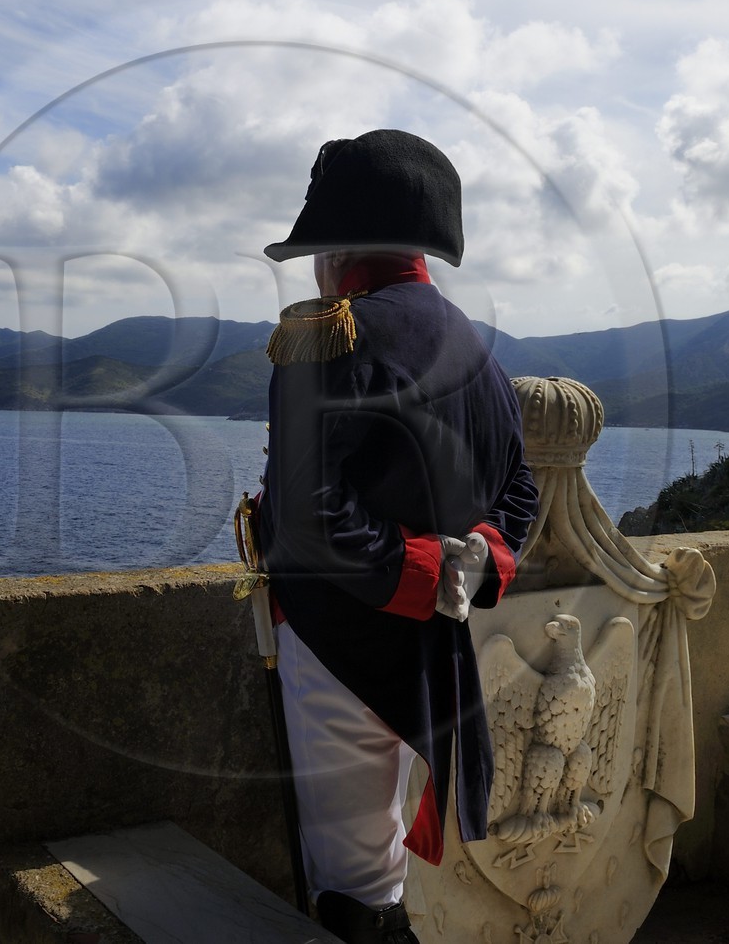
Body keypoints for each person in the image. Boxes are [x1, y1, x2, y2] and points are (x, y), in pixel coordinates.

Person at [255, 129, 539, 944]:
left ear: (336, 250)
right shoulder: (479, 353)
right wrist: (472, 560)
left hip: (338, 647)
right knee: (383, 880)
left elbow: (306, 517)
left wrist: (417, 572)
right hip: (436, 660)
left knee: (354, 894)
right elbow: (519, 491)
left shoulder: (326, 331)